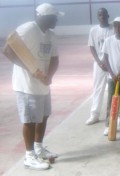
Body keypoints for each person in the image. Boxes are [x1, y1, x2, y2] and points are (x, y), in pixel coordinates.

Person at [2, 3, 62, 170]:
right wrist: (32, 70)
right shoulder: (29, 29)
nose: (57, 20)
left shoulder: (51, 35)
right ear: (44, 17)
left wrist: (48, 76)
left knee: (43, 117)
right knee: (29, 120)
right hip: (27, 85)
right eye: (54, 17)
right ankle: (29, 157)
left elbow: (55, 59)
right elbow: (8, 49)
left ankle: (38, 148)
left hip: (43, 84)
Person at [85, 8, 114, 125]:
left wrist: (109, 63)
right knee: (98, 89)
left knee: (114, 90)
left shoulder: (113, 29)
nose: (102, 16)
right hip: (99, 65)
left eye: (104, 14)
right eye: (99, 14)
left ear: (108, 15)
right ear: (98, 17)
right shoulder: (94, 30)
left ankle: (115, 114)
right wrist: (98, 62)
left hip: (112, 65)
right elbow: (91, 47)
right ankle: (94, 114)